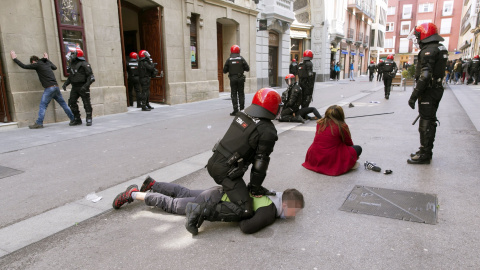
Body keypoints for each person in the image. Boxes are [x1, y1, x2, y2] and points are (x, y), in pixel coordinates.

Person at [111, 176, 305, 235]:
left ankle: (153, 184)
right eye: (294, 210)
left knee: (184, 192)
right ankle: (134, 194)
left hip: (218, 192)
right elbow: (246, 227)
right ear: (286, 205)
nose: (293, 215)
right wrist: (249, 214)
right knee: (173, 205)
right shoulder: (270, 212)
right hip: (214, 203)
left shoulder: (270, 194)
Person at [206, 88, 281, 223]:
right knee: (246, 210)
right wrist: (255, 188)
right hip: (225, 173)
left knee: (237, 192)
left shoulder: (242, 115)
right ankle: (201, 211)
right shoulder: (267, 130)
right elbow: (260, 164)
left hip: (213, 163)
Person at [407, 22, 448, 164]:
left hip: (429, 91)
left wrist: (413, 96)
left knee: (425, 122)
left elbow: (425, 76)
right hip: (436, 88)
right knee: (430, 121)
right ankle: (425, 150)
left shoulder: (428, 51)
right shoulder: (439, 48)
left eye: (418, 36)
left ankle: (424, 154)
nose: (417, 40)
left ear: (424, 35)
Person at [10, 51, 74, 129]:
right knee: (63, 104)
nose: (32, 65)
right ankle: (73, 119)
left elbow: (24, 66)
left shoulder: (37, 64)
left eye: (32, 63)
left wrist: (14, 58)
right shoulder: (46, 63)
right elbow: (55, 67)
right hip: (56, 87)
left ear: (33, 62)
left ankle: (39, 123)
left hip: (49, 88)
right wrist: (47, 60)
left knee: (43, 105)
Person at [302, 105, 362, 176]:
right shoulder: (342, 126)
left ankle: (349, 162)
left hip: (314, 156)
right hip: (330, 158)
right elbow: (349, 143)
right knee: (358, 148)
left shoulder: (320, 123)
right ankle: (349, 164)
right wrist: (352, 155)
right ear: (340, 115)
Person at [62, 47, 95, 126]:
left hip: (83, 86)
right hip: (75, 87)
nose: (72, 55)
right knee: (72, 102)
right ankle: (77, 119)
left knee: (86, 103)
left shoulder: (84, 64)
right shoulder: (73, 64)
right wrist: (66, 84)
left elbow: (91, 77)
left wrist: (85, 86)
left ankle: (88, 118)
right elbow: (71, 76)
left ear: (77, 54)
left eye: (73, 53)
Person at [223, 45, 250, 116]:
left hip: (233, 78)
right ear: (238, 51)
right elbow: (247, 68)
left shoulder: (229, 60)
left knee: (234, 94)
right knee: (241, 94)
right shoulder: (241, 59)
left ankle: (235, 110)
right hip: (240, 78)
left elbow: (224, 70)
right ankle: (242, 110)